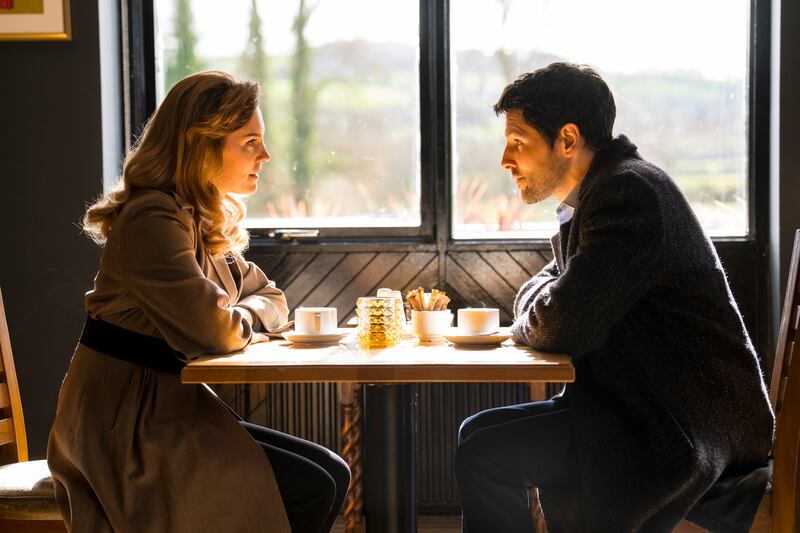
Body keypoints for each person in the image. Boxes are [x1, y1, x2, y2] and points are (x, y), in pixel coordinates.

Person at [454, 62, 774, 533]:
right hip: (645, 405)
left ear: (567, 139)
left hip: (680, 428)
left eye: (518, 142)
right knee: (476, 433)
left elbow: (562, 323)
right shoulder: (602, 194)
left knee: (484, 453)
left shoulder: (628, 192)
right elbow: (542, 293)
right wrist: (541, 308)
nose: (506, 159)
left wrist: (538, 312)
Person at [47, 71, 350, 533]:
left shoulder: (196, 217)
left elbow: (272, 298)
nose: (265, 155)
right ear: (202, 145)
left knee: (330, 472)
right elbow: (216, 333)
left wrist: (240, 313)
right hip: (123, 422)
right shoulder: (153, 219)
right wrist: (241, 316)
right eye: (250, 141)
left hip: (165, 403)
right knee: (312, 485)